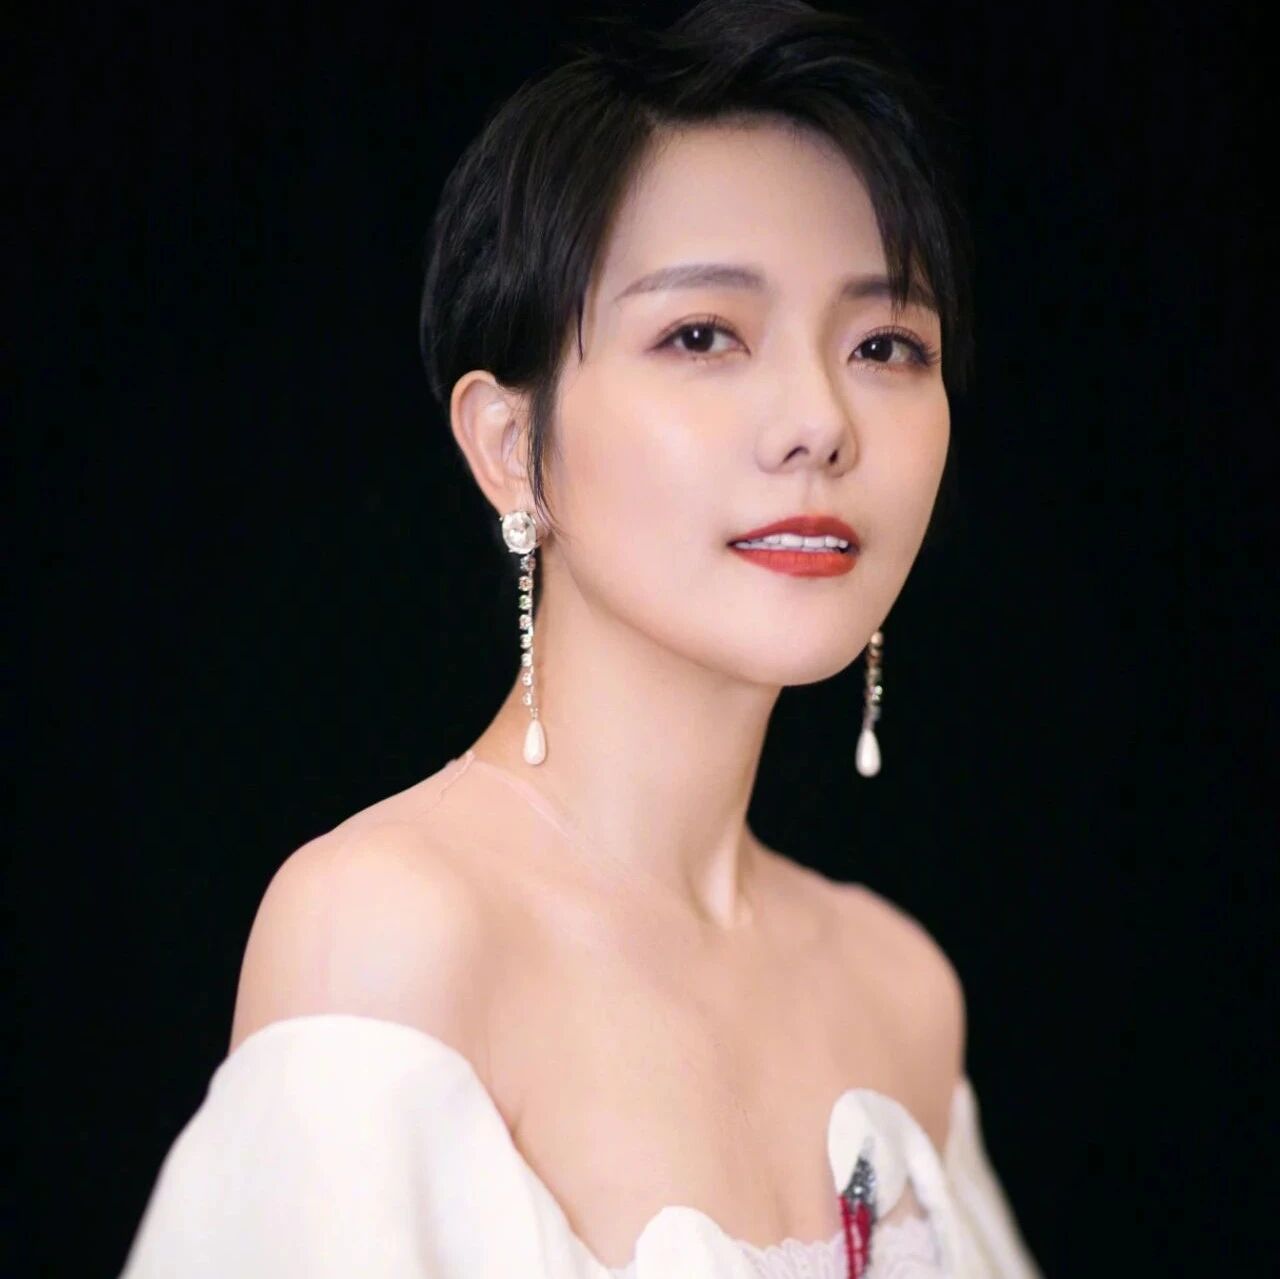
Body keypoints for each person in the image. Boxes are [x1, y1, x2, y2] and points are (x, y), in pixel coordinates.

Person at [120, 2, 1044, 1275]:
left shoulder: (899, 991)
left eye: (883, 344)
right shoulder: (386, 934)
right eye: (701, 335)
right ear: (511, 447)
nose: (819, 421)